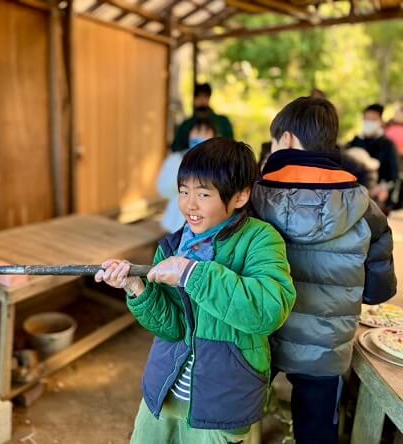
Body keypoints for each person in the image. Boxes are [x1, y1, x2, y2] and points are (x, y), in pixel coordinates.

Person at [96, 138, 296, 444]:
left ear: (241, 196)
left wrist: (192, 274)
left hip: (222, 404)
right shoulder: (174, 245)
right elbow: (171, 328)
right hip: (163, 392)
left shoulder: (260, 240)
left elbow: (268, 310)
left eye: (203, 194)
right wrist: (136, 288)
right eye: (184, 192)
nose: (190, 205)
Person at [251, 97, 397, 444]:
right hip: (327, 347)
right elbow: (378, 287)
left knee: (243, 411)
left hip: (264, 333)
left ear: (285, 140)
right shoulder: (362, 203)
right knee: (317, 429)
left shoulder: (256, 195)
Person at [157, 118, 216, 233]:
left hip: (208, 224)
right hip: (176, 223)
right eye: (197, 131)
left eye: (206, 132)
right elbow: (163, 189)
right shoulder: (176, 159)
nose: (201, 135)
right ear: (189, 135)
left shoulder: (219, 162)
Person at [348, 104, 399, 209]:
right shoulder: (356, 142)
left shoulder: (388, 145)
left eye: (373, 119)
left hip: (378, 197)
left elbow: (394, 175)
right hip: (354, 195)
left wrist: (383, 188)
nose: (369, 122)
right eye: (366, 119)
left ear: (380, 121)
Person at [171, 83, 234, 152]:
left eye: (205, 96)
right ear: (194, 98)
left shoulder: (222, 122)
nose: (201, 100)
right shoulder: (186, 125)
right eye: (198, 96)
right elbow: (176, 147)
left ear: (209, 97)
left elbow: (231, 146)